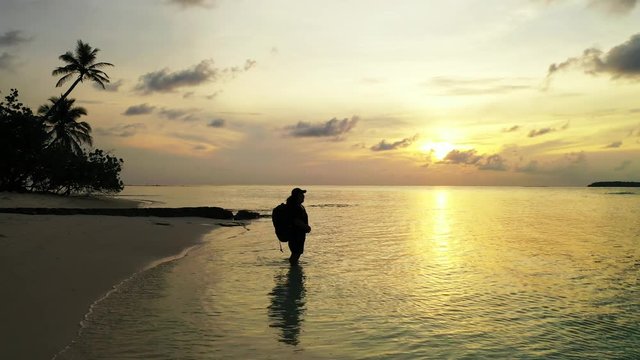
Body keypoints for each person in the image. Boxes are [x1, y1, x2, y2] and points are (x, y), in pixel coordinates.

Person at [285, 188, 311, 265]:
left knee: (296, 253)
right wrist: (306, 227)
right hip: (295, 235)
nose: (303, 196)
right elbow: (296, 220)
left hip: (298, 234)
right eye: (301, 194)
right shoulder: (294, 207)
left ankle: (293, 270)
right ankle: (293, 270)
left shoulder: (298, 206)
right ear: (297, 196)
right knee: (296, 253)